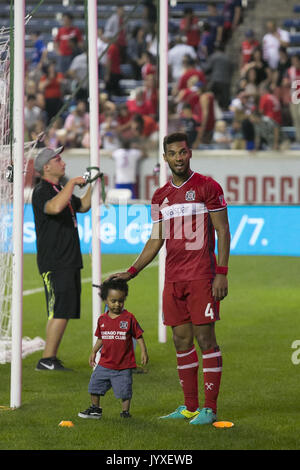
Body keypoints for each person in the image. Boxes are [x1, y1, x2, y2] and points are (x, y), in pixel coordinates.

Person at [108, 132, 230, 425]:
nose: (178, 158)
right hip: (173, 279)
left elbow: (223, 231)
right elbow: (156, 238)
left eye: (183, 152)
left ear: (190, 153)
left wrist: (221, 274)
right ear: (165, 158)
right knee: (180, 340)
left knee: (205, 339)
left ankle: (209, 409)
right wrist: (132, 270)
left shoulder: (207, 186)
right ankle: (189, 407)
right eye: (173, 153)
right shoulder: (159, 196)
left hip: (202, 276)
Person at [32, 146, 92, 371]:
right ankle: (47, 359)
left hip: (68, 259)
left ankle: (50, 358)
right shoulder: (42, 191)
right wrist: (72, 183)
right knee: (59, 309)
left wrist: (93, 184)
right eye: (58, 159)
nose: (63, 162)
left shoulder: (58, 188)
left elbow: (83, 206)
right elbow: (55, 207)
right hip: (55, 261)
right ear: (47, 167)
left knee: (64, 309)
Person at [78, 278, 148, 419]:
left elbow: (139, 335)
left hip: (123, 365)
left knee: (124, 391)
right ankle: (95, 409)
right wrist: (93, 351)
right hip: (105, 363)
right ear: (105, 300)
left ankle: (125, 412)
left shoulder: (129, 318)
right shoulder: (102, 319)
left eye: (120, 301)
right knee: (94, 385)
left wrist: (144, 351)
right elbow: (101, 338)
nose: (117, 304)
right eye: (113, 301)